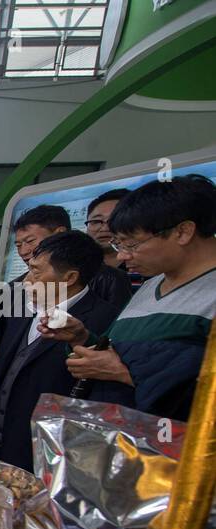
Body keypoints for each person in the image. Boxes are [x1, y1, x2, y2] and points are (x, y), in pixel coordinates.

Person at [40, 175, 216, 420]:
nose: (122, 256)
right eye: (118, 245)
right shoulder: (151, 285)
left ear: (183, 232)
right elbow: (122, 352)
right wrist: (82, 338)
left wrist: (125, 374)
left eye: (131, 244)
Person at [0, 231, 119, 471]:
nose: (26, 280)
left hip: (50, 451)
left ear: (69, 277)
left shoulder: (104, 322)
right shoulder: (23, 308)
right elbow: (2, 367)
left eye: (36, 272)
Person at [12, 204, 132, 314]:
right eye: (18, 245)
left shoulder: (109, 279)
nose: (23, 251)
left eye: (30, 241)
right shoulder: (13, 288)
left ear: (59, 233)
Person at [85, 187, 144, 289]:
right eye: (96, 221)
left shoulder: (151, 265)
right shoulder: (73, 266)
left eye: (114, 220)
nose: (104, 228)